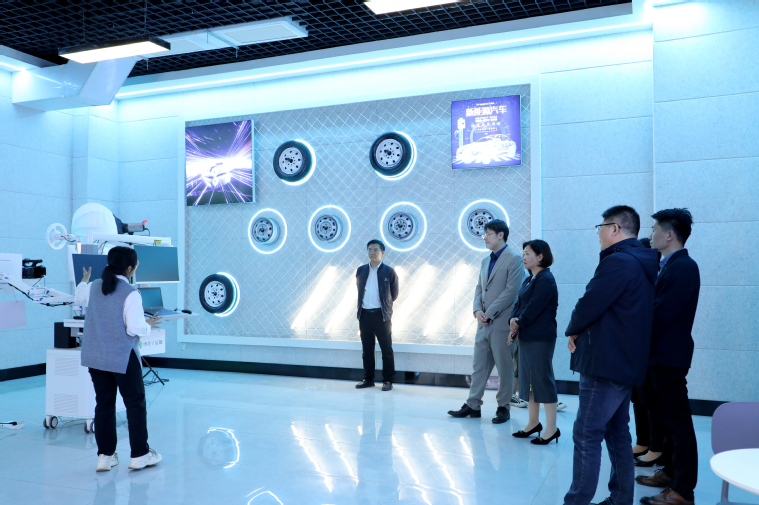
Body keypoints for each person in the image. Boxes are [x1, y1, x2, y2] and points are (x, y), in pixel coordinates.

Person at [563, 206, 659, 505]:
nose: (599, 234)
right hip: (624, 362)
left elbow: (590, 302)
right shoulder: (642, 261)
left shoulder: (618, 261)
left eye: (601, 227)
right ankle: (620, 498)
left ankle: (577, 501)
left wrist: (573, 328)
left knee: (586, 433)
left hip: (605, 362)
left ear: (615, 228)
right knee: (617, 433)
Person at [75, 246, 163, 472]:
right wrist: (148, 326)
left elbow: (79, 296)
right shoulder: (131, 292)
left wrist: (84, 279)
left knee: (104, 405)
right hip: (122, 357)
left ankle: (105, 456)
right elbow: (134, 328)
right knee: (135, 404)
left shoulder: (94, 286)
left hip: (96, 357)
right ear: (130, 268)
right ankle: (140, 455)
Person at [636, 209, 700, 505]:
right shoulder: (669, 265)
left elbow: (661, 314)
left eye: (654, 230)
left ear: (669, 235)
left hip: (668, 357)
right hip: (658, 356)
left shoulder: (684, 267)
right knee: (664, 420)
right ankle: (670, 473)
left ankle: (683, 491)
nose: (651, 235)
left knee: (678, 424)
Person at [448, 219, 524, 424]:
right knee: (479, 366)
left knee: (504, 367)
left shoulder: (514, 259)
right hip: (483, 323)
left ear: (501, 235)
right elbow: (479, 289)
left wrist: (489, 312)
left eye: (488, 234)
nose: (484, 238)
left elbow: (512, 292)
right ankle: (473, 405)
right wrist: (477, 311)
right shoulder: (485, 261)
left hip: (502, 324)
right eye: (484, 234)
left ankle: (503, 407)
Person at [509, 240, 561, 444]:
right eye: (523, 253)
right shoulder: (530, 278)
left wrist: (517, 323)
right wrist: (512, 321)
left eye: (527, 253)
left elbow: (533, 308)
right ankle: (533, 423)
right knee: (529, 381)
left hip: (540, 337)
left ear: (540, 256)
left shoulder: (546, 279)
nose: (523, 257)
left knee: (542, 380)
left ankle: (551, 428)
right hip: (527, 335)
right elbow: (518, 304)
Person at [632, 238, 665, 467]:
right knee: (638, 398)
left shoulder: (656, 278)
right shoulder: (640, 278)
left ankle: (656, 447)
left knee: (651, 401)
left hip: (651, 350)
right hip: (636, 349)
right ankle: (643, 441)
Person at [355, 239, 399, 391]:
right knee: (367, 350)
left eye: (375, 250)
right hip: (364, 315)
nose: (372, 252)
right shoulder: (361, 270)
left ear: (382, 253)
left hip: (382, 316)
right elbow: (359, 289)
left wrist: (385, 306)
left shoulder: (389, 271)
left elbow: (394, 294)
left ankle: (388, 381)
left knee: (386, 350)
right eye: (370, 250)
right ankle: (368, 379)